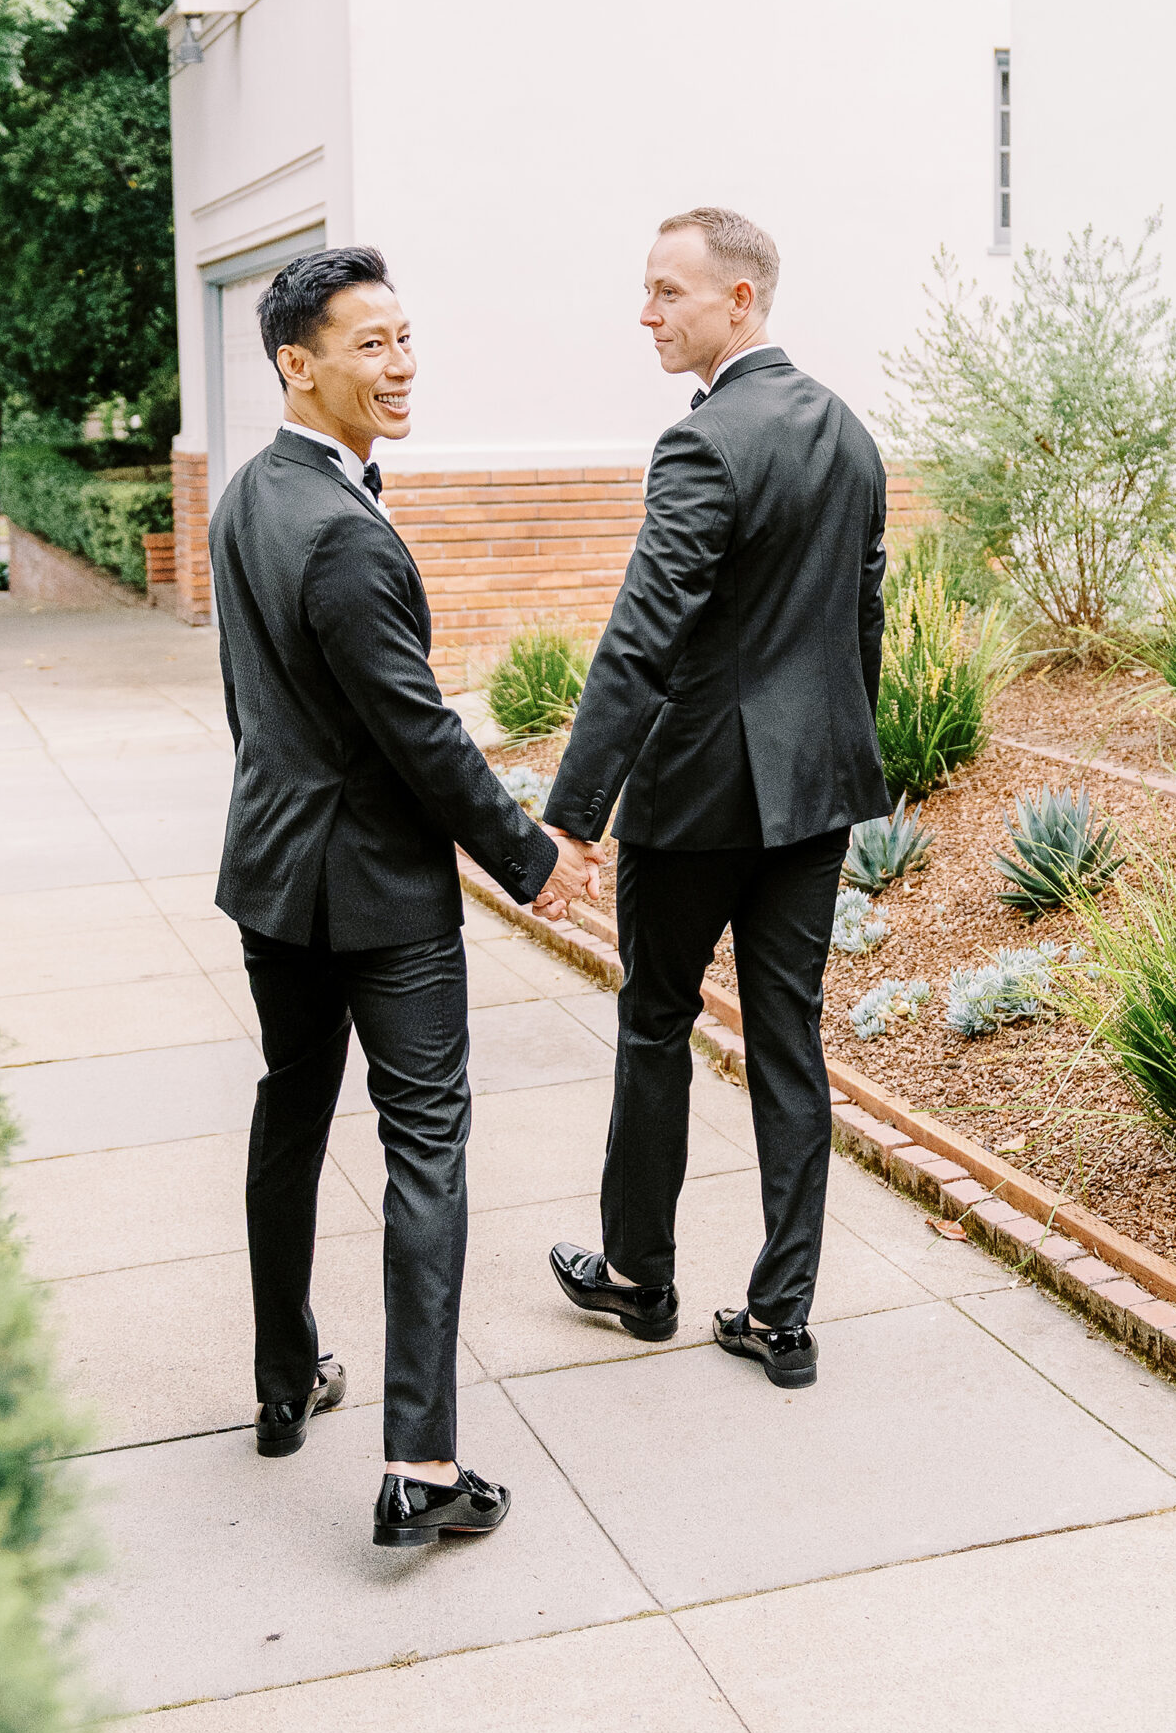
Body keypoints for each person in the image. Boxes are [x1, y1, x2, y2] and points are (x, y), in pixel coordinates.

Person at [209, 245, 594, 1548]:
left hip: (269, 875)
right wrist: (531, 859)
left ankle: (281, 1383)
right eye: (369, 344)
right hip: (375, 897)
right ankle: (420, 1469)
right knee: (423, 1150)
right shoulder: (340, 537)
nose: (400, 364)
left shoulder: (245, 500)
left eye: (405, 337)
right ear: (296, 366)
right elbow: (420, 735)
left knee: (289, 1115)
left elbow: (250, 708)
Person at [542, 207, 887, 1390]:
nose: (648, 312)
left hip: (695, 801)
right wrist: (844, 752)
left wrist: (574, 810)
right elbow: (861, 619)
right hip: (812, 800)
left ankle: (640, 1278)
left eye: (669, 291)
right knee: (788, 1037)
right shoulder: (847, 431)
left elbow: (644, 635)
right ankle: (781, 1316)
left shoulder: (702, 443)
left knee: (655, 1019)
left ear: (740, 300)